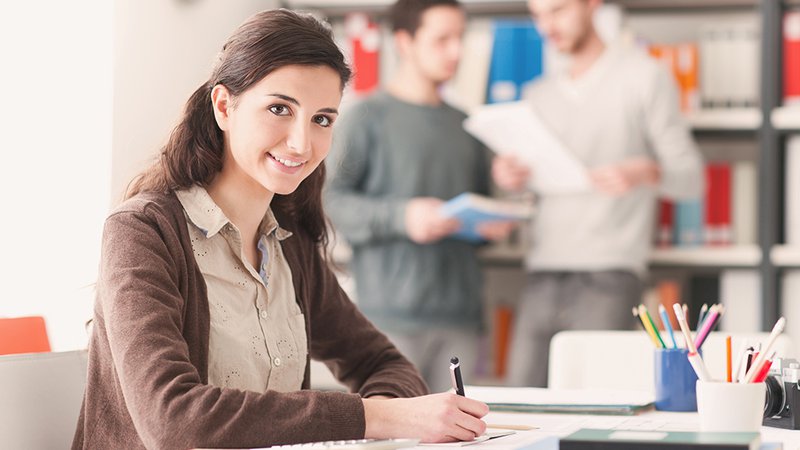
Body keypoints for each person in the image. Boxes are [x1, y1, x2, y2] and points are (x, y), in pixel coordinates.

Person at [73, 10, 490, 449]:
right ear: (223, 106)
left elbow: (384, 364)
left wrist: (386, 420)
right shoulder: (142, 232)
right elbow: (175, 420)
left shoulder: (290, 243)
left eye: (322, 119)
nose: (301, 143)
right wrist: (377, 416)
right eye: (279, 109)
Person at [493, 0, 704, 387]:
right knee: (517, 401)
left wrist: (645, 170)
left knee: (591, 399)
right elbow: (530, 190)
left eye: (557, 11)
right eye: (538, 16)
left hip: (609, 274)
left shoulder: (645, 77)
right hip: (543, 270)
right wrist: (511, 177)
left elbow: (691, 179)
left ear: (591, 5)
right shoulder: (537, 95)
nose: (546, 27)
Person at [324, 0, 515, 392]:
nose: (456, 52)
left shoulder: (468, 125)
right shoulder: (365, 118)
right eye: (442, 39)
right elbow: (332, 202)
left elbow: (478, 209)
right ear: (405, 42)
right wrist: (403, 217)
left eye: (460, 39)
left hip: (461, 317)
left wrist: (492, 219)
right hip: (386, 323)